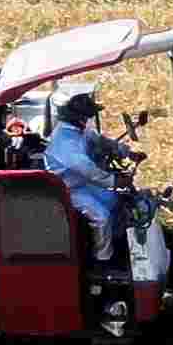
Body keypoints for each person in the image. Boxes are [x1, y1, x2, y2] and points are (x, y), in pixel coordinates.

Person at [42, 88, 133, 261]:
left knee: (114, 199)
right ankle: (103, 259)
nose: (88, 118)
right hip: (67, 190)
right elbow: (87, 169)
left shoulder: (78, 130)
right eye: (86, 115)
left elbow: (99, 140)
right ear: (76, 116)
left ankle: (118, 239)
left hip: (81, 183)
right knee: (102, 217)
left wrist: (126, 152)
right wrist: (115, 180)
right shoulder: (65, 141)